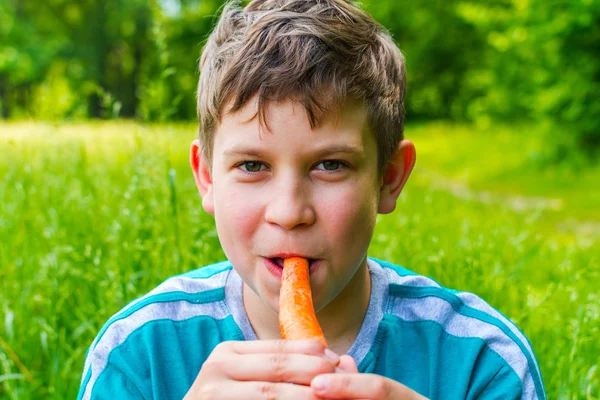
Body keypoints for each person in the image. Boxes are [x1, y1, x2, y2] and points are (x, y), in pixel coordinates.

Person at [78, 0, 545, 398]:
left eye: (330, 165)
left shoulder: (481, 361)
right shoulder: (139, 355)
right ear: (207, 178)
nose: (289, 212)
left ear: (389, 178)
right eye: (252, 166)